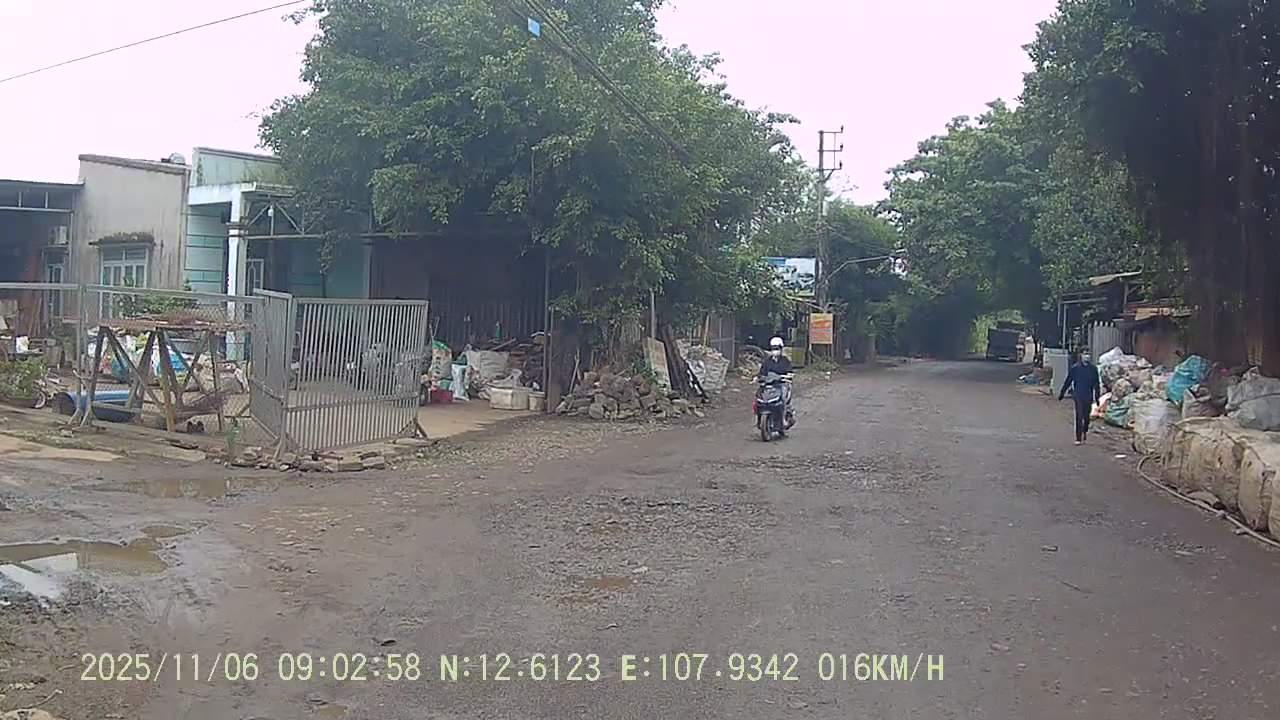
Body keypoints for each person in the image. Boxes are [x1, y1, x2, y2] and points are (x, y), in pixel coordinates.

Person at [1058, 350, 1101, 445]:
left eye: (1088, 354)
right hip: (1078, 395)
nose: (1087, 356)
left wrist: (1097, 397)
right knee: (1079, 416)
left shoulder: (1093, 369)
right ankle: (1078, 437)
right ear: (1081, 355)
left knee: (1086, 417)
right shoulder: (1075, 368)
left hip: (1088, 395)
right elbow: (1068, 381)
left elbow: (1096, 384)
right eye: (1085, 354)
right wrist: (1062, 393)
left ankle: (1084, 430)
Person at [759, 336, 795, 427]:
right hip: (769, 385)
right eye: (773, 348)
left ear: (781, 349)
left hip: (782, 384)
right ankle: (759, 417)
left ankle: (783, 419)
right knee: (760, 398)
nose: (775, 351)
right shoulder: (767, 362)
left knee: (782, 399)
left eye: (777, 348)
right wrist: (758, 377)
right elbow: (762, 372)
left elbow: (790, 372)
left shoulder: (785, 361)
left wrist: (787, 376)